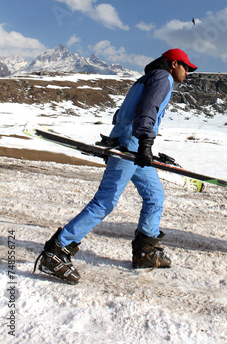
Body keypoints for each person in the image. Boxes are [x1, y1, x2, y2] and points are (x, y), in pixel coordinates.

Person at [34, 48, 197, 284]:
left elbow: (122, 113)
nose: (188, 72)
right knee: (105, 201)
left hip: (132, 145)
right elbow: (147, 109)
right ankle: (57, 250)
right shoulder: (163, 78)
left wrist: (129, 141)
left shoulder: (146, 78)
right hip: (133, 146)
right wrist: (144, 142)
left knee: (155, 196)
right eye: (186, 67)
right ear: (173, 64)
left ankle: (146, 251)